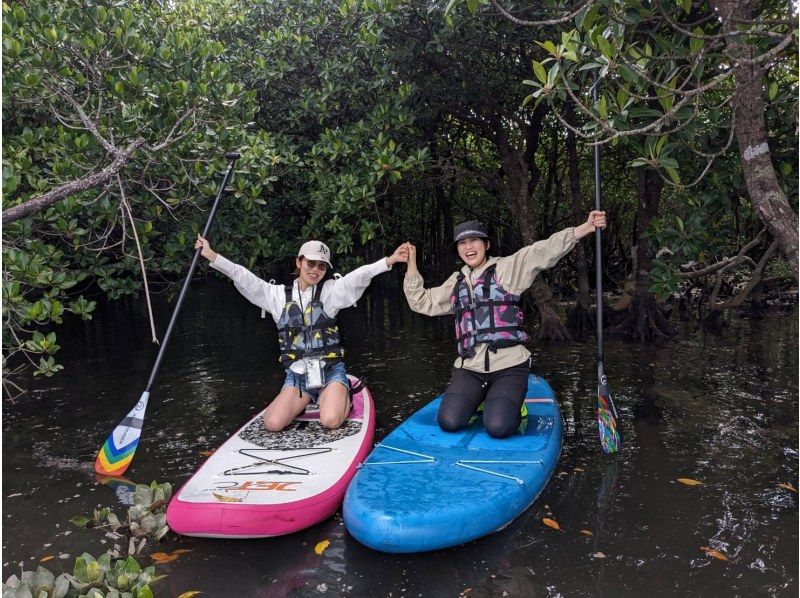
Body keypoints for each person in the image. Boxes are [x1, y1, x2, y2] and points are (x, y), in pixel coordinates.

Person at [400, 211, 607, 438]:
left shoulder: (506, 269)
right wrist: (411, 263)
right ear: (458, 250)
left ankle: (511, 405)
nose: (469, 247)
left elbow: (541, 251)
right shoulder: (456, 282)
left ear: (486, 244)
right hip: (470, 367)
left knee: (498, 427)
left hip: (509, 365)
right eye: (462, 243)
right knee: (449, 422)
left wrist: (582, 229)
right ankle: (482, 399)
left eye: (474, 241)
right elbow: (422, 302)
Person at [195, 235, 408, 431]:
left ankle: (344, 397)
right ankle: (304, 402)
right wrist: (212, 256)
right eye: (311, 263)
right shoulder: (277, 296)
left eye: (322, 266)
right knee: (272, 424)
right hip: (298, 378)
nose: (315, 269)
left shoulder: (331, 292)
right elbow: (243, 277)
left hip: (330, 372)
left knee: (331, 421)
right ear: (299, 262)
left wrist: (388, 261)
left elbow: (358, 277)